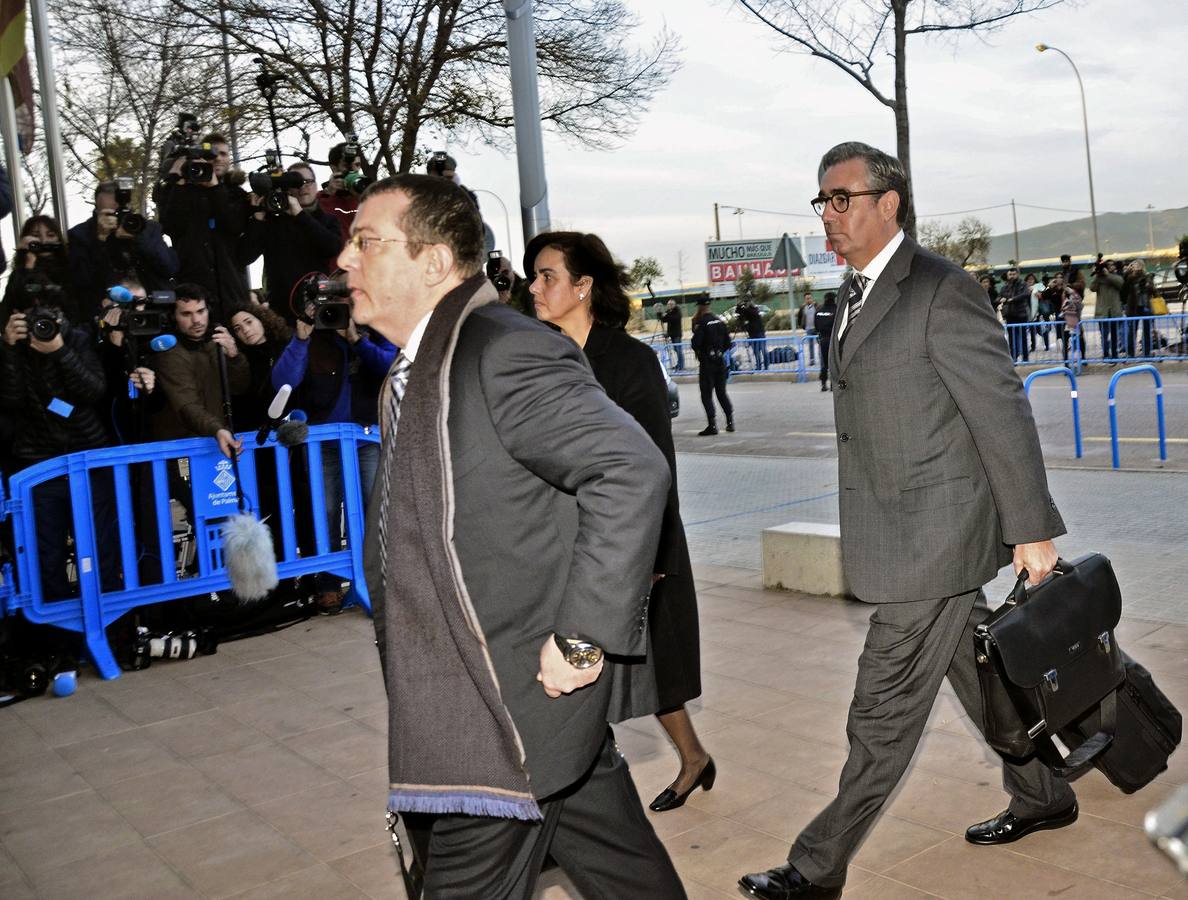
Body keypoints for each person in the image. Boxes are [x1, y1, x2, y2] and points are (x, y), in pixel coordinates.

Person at [740, 142, 1072, 900]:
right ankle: (1045, 794)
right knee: (986, 680)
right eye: (820, 199)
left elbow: (1000, 410)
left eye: (840, 197)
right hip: (906, 530)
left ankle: (816, 868)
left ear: (888, 202)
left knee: (881, 711)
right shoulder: (853, 291)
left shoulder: (939, 289)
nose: (827, 213)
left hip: (936, 533)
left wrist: (1030, 528)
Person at [343, 174, 685, 899]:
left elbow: (629, 470)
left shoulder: (501, 349)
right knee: (625, 871)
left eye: (366, 242)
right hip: (514, 698)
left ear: (433, 261)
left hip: (502, 717)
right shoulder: (415, 369)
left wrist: (584, 636)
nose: (346, 259)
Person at [524, 230, 711, 815]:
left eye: (548, 276)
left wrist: (651, 558)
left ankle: (677, 763)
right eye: (533, 275)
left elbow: (655, 464)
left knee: (644, 665)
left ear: (582, 287)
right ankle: (602, 778)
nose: (534, 286)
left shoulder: (628, 362)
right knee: (586, 667)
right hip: (561, 540)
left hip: (628, 542)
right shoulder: (539, 357)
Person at [270, 302, 395, 613]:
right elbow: (283, 382)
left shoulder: (373, 327)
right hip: (322, 441)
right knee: (324, 512)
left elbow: (391, 366)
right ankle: (328, 585)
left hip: (366, 436)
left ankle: (376, 583)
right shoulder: (313, 337)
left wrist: (357, 340)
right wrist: (301, 339)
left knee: (373, 509)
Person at [156, 132, 251, 324]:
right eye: (212, 154)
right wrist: (181, 180)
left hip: (232, 290)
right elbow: (171, 226)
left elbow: (234, 226)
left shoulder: (236, 194)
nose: (218, 158)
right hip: (193, 291)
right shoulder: (180, 191)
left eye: (224, 154)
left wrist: (215, 188)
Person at [148, 283, 249, 459]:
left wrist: (234, 356)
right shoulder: (169, 352)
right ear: (173, 317)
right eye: (186, 314)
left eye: (201, 311)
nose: (196, 320)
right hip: (182, 448)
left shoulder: (218, 340)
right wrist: (217, 429)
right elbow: (188, 406)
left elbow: (240, 388)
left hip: (218, 438)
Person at [240, 161, 345, 324]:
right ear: (287, 187)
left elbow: (331, 248)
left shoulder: (328, 221)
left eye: (308, 182)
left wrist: (300, 215)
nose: (303, 187)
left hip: (319, 311)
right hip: (282, 315)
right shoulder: (273, 222)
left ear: (316, 185)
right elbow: (244, 257)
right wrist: (258, 217)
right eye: (296, 183)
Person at [68, 180, 179, 317]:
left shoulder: (147, 228)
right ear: (97, 211)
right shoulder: (81, 235)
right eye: (110, 213)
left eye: (120, 211)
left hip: (153, 308)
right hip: (107, 313)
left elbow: (169, 268)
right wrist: (101, 239)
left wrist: (138, 238)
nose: (117, 217)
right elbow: (81, 282)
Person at [691, 298, 734, 436]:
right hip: (720, 362)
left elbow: (695, 343)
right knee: (721, 393)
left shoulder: (702, 323)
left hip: (707, 363)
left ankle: (712, 425)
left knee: (706, 394)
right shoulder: (719, 321)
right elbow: (728, 343)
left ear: (700, 307)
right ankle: (730, 422)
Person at [1122, 259, 1156, 358]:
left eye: (1138, 265)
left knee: (1146, 330)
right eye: (1134, 265)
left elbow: (1153, 291)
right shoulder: (1129, 278)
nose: (1136, 267)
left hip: (1146, 306)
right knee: (1132, 331)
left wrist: (1148, 285)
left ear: (1142, 266)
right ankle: (1130, 353)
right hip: (1133, 308)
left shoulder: (1147, 276)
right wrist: (1128, 272)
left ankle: (1147, 352)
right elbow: (1124, 289)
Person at [1091, 259, 1124, 361]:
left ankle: (1114, 354)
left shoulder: (1117, 276)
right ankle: (1105, 354)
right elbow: (1092, 288)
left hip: (1114, 311)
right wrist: (1097, 275)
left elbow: (1120, 284)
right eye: (1108, 265)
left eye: (1111, 265)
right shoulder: (1099, 278)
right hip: (1102, 312)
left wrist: (1108, 275)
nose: (1110, 267)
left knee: (1114, 334)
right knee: (1104, 335)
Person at [998, 267, 1031, 363]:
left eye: (1014, 274)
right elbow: (999, 297)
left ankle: (1025, 357)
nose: (1012, 276)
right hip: (1009, 314)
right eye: (1010, 275)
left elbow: (1026, 294)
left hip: (1021, 314)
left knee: (1023, 336)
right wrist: (1001, 299)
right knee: (1012, 338)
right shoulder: (1005, 286)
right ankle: (1014, 357)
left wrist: (1013, 299)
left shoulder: (1023, 284)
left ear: (1018, 274)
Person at [735, 295, 768, 369]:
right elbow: (737, 312)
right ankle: (759, 366)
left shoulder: (754, 309)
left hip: (759, 332)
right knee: (756, 351)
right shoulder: (746, 310)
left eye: (747, 302)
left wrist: (744, 308)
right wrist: (739, 306)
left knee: (763, 350)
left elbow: (752, 313)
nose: (746, 303)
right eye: (745, 302)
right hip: (752, 333)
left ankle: (766, 366)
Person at [814, 291, 837, 391]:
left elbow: (816, 326)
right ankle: (833, 384)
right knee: (833, 362)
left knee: (824, 364)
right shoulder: (836, 310)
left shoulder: (819, 310)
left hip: (822, 339)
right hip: (833, 340)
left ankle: (823, 384)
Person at [659, 298, 684, 370]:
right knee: (676, 350)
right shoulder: (669, 312)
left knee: (678, 350)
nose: (669, 305)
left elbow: (674, 319)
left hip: (677, 334)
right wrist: (660, 315)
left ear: (675, 305)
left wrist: (666, 315)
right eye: (668, 304)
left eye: (671, 304)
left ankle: (681, 365)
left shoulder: (677, 312)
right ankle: (678, 364)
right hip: (672, 334)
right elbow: (664, 320)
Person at [801, 290, 818, 366]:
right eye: (807, 298)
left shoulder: (816, 306)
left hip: (817, 328)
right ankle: (812, 360)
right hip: (808, 329)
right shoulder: (803, 307)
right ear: (805, 299)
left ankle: (822, 360)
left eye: (810, 298)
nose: (809, 300)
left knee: (820, 344)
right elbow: (799, 317)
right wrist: (803, 326)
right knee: (810, 346)